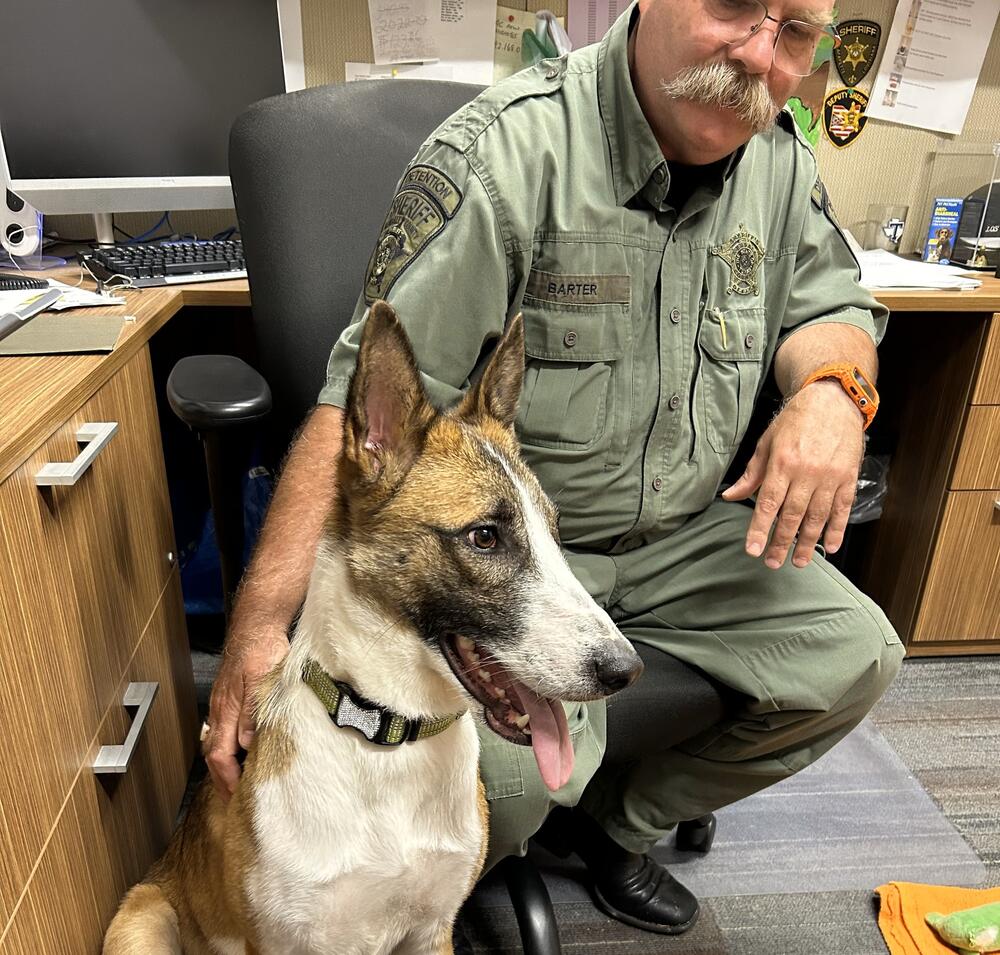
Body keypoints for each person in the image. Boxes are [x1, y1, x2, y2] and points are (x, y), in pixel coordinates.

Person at [203, 0, 904, 936]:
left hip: (689, 537)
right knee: (493, 788)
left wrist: (829, 389)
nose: (760, 53)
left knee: (857, 658)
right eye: (735, 6)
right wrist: (259, 628)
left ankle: (621, 827)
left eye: (798, 32)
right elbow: (357, 409)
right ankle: (462, 868)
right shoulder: (505, 156)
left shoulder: (780, 163)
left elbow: (835, 304)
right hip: (515, 549)